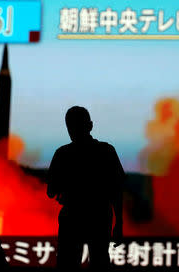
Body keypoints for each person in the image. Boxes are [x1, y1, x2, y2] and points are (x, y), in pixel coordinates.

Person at [47, 106, 125, 271]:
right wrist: (119, 222)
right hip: (100, 216)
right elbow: (117, 189)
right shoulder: (106, 151)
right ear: (90, 125)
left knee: (67, 264)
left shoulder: (62, 154)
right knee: (99, 261)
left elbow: (51, 191)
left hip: (72, 217)